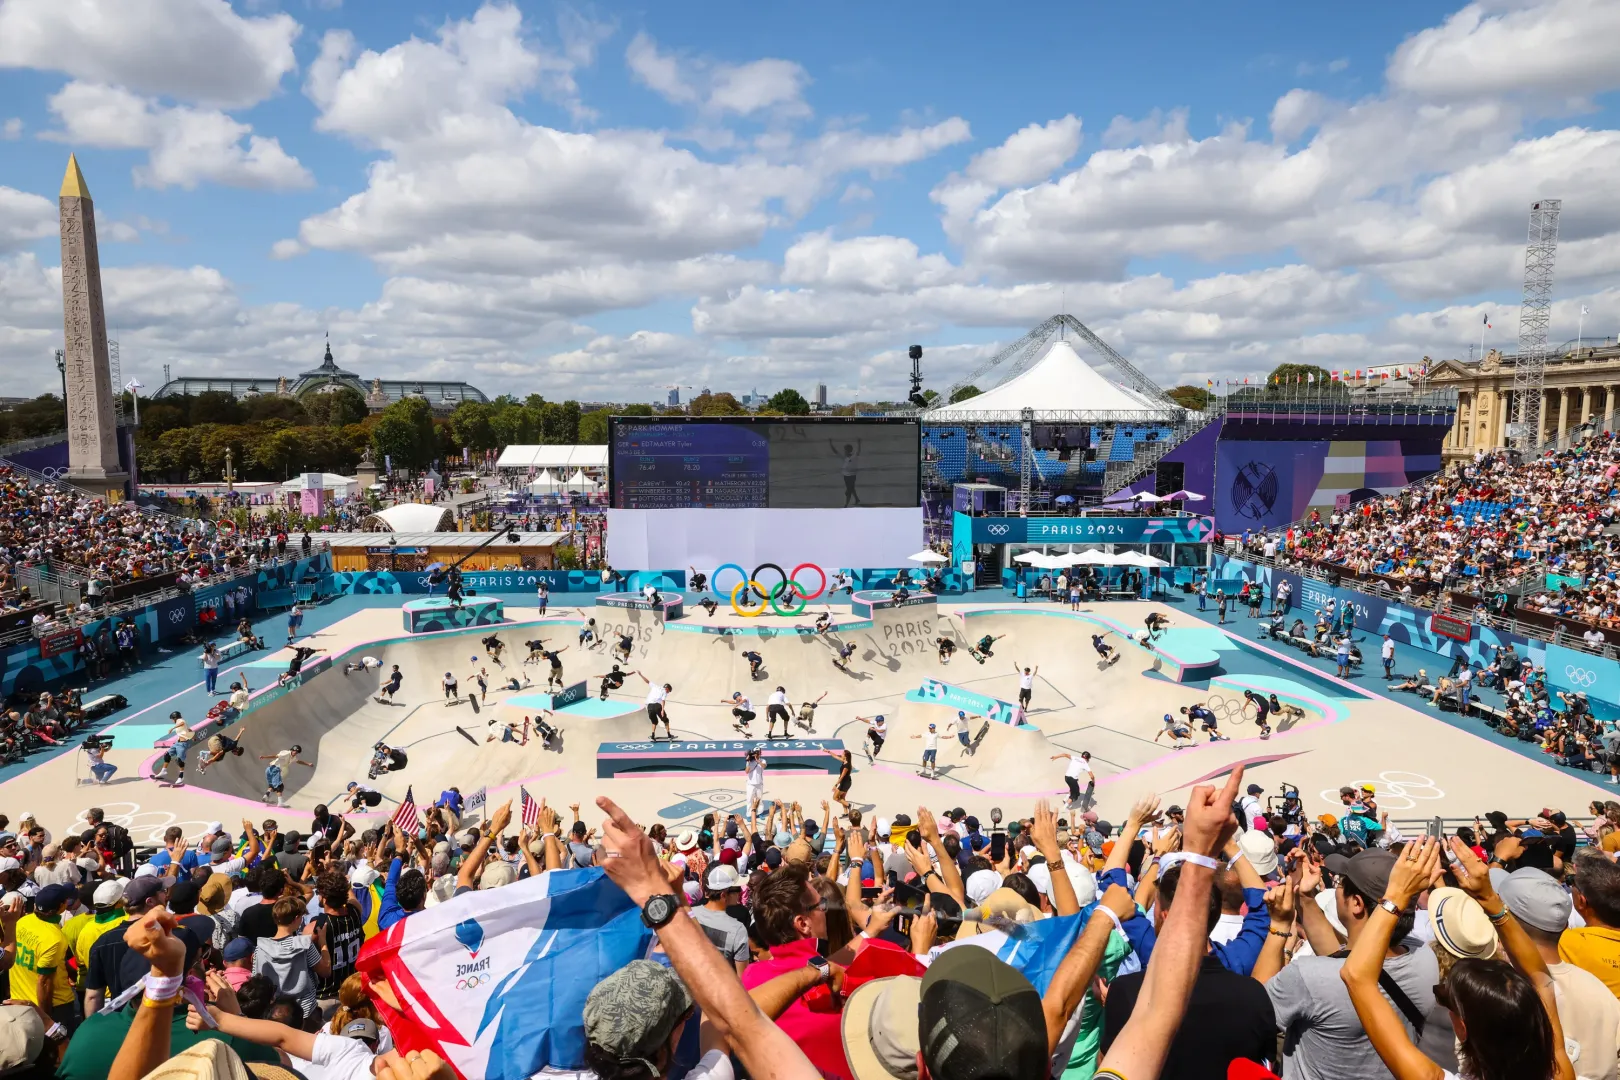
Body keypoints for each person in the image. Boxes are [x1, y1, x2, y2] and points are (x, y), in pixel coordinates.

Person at [1341, 835, 1576, 1080]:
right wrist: (1488, 899)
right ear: (1540, 1022)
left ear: (1463, 1029)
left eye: (1446, 998)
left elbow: (1356, 975)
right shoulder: (1558, 1071)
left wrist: (1398, 894)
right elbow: (1540, 978)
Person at [1266, 845, 1455, 1079]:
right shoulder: (1423, 957)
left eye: (1340, 884)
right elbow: (1343, 957)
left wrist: (1278, 927)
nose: (1337, 888)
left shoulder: (1307, 977)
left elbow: (1252, 1014)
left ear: (1356, 903)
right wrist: (1304, 897)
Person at [638, 672, 673, 741]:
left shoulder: (655, 686)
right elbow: (663, 701)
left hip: (649, 706)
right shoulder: (664, 691)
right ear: (667, 689)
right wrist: (662, 710)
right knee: (666, 720)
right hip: (657, 706)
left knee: (654, 722)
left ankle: (653, 735)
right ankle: (669, 735)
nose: (668, 693)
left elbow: (647, 681)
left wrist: (640, 675)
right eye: (669, 691)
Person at [743, 748, 766, 812]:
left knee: (759, 799)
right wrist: (748, 762)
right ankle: (749, 814)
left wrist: (758, 761)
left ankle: (760, 812)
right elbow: (746, 771)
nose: (756, 754)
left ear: (759, 753)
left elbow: (764, 766)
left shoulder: (762, 760)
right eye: (755, 753)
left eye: (757, 753)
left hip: (759, 783)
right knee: (749, 800)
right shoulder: (750, 761)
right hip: (750, 784)